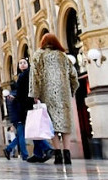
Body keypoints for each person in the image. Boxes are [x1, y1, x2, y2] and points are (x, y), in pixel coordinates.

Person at [30, 33, 79, 166]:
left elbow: (35, 75)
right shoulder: (63, 56)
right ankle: (67, 154)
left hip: (47, 95)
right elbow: (73, 75)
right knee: (65, 124)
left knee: (52, 125)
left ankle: (58, 154)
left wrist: (35, 94)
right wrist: (72, 89)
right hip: (64, 94)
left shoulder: (38, 55)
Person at [5, 58, 33, 161]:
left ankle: (8, 148)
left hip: (16, 117)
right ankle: (24, 154)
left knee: (21, 135)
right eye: (20, 63)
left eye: (24, 62)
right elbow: (19, 104)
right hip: (20, 116)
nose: (22, 64)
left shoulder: (9, 96)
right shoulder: (15, 95)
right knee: (21, 135)